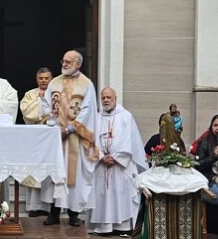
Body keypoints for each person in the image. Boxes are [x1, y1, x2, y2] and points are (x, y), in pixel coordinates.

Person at [40, 50, 99, 227]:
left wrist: (71, 128)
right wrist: (53, 124)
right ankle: (54, 212)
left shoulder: (86, 84)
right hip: (56, 137)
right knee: (54, 175)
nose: (64, 64)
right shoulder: (54, 82)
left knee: (75, 177)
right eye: (63, 61)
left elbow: (88, 110)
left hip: (75, 138)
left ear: (78, 64)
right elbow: (45, 105)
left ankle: (73, 214)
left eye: (68, 61)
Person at [87, 87, 146, 236]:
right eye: (103, 98)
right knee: (103, 196)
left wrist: (117, 157)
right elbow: (90, 140)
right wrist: (101, 156)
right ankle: (103, 228)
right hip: (101, 165)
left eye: (109, 97)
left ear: (115, 98)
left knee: (121, 194)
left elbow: (129, 140)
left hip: (121, 166)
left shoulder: (126, 116)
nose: (106, 100)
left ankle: (123, 227)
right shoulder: (96, 117)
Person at [19, 67, 53, 217]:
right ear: (37, 79)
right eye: (41, 78)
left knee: (48, 172)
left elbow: (60, 112)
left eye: (46, 78)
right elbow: (26, 113)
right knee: (33, 171)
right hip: (33, 138)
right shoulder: (30, 94)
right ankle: (33, 206)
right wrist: (40, 101)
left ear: (51, 79)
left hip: (50, 138)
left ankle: (48, 206)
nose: (44, 81)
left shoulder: (57, 94)